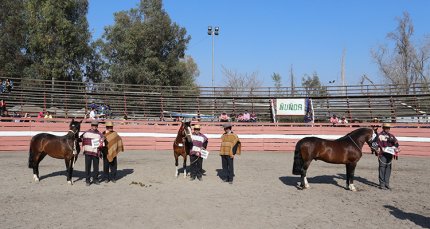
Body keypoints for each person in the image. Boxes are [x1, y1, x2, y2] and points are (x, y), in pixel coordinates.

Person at [376, 123, 400, 190]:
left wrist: (396, 148)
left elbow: (396, 143)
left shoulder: (391, 136)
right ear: (383, 128)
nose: (387, 129)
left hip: (389, 154)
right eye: (386, 128)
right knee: (382, 168)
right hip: (382, 154)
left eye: (388, 128)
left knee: (388, 169)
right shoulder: (379, 136)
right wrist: (379, 148)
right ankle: (382, 184)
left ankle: (387, 183)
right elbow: (376, 144)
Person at [81, 120, 104, 186]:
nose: (95, 127)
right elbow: (81, 138)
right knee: (87, 167)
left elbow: (103, 139)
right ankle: (87, 180)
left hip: (95, 152)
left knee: (96, 167)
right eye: (93, 125)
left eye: (96, 125)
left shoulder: (99, 134)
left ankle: (95, 179)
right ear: (91, 126)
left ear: (97, 126)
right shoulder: (86, 133)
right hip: (88, 152)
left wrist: (103, 140)